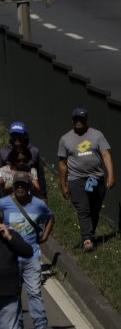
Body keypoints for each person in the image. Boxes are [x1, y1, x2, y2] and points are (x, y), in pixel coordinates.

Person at [0, 173, 55, 329]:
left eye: (24, 185)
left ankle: (41, 326)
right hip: (10, 258)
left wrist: (45, 236)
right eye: (17, 185)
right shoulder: (3, 204)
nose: (20, 188)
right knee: (14, 294)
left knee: (34, 291)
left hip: (31, 255)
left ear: (29, 187)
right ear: (13, 187)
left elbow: (50, 217)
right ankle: (17, 326)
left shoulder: (38, 205)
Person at [57, 106, 114, 251]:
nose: (79, 121)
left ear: (86, 120)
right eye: (76, 119)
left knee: (95, 209)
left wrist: (111, 175)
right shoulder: (65, 139)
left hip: (96, 178)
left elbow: (106, 155)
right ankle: (87, 239)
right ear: (72, 121)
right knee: (83, 209)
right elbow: (62, 164)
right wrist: (63, 185)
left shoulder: (97, 135)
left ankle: (90, 234)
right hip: (76, 179)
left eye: (81, 119)